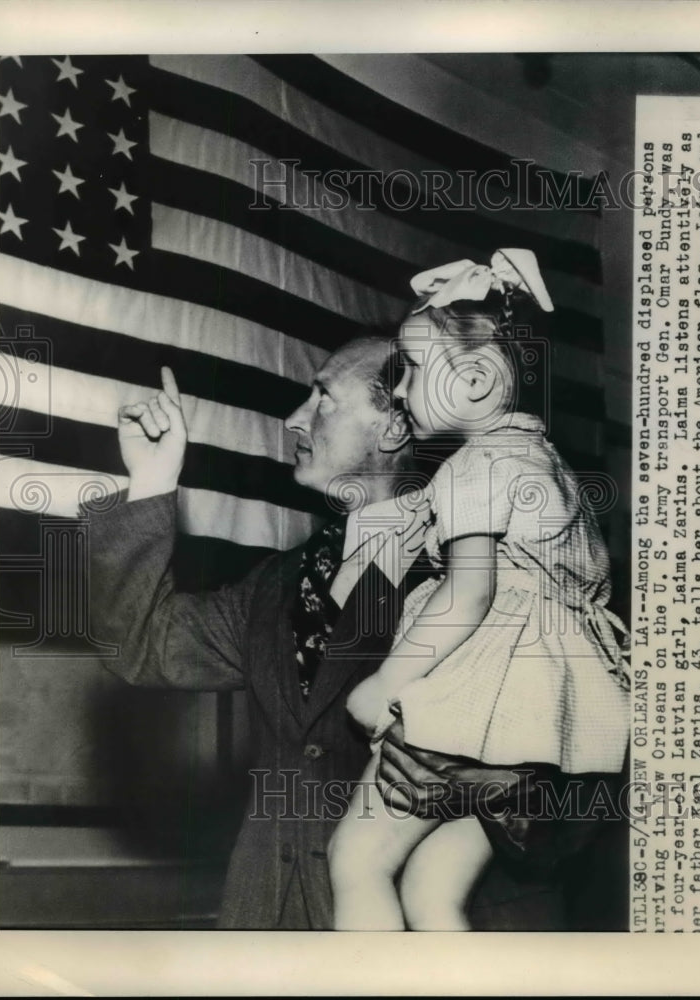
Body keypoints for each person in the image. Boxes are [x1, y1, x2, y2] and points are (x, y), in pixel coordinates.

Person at [87, 334, 583, 930]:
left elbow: (587, 774)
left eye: (322, 397)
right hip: (269, 932)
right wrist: (152, 479)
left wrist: (485, 790)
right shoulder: (275, 582)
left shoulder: (503, 572)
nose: (295, 419)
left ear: (396, 425)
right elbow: (137, 645)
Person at [328, 251, 631, 930]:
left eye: (408, 368)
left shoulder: (475, 467)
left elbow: (466, 596)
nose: (398, 390)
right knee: (433, 891)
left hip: (474, 700)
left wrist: (386, 682)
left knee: (358, 861)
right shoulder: (545, 463)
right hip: (544, 729)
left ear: (472, 380)